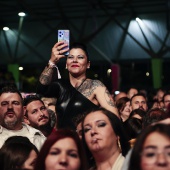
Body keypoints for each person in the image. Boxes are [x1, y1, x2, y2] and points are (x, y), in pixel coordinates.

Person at [37, 41, 118, 129]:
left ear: (88, 64)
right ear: (66, 65)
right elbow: (41, 89)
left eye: (80, 57)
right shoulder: (59, 85)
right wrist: (52, 62)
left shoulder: (95, 86)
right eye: (70, 57)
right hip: (64, 140)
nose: (75, 60)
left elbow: (115, 117)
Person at [0, 86, 46, 150]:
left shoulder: (38, 137)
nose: (10, 107)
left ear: (24, 110)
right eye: (4, 104)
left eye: (15, 103)